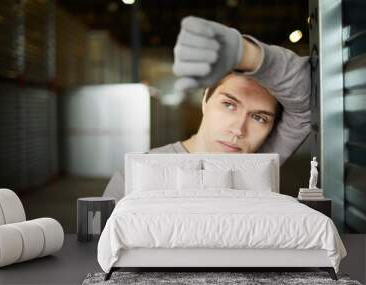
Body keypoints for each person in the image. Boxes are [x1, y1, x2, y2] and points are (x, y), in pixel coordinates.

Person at [103, 16, 311, 202]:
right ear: (205, 100)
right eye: (229, 105)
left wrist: (245, 53)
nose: (238, 129)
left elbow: (309, 95)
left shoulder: (258, 165)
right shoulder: (136, 175)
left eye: (258, 118)